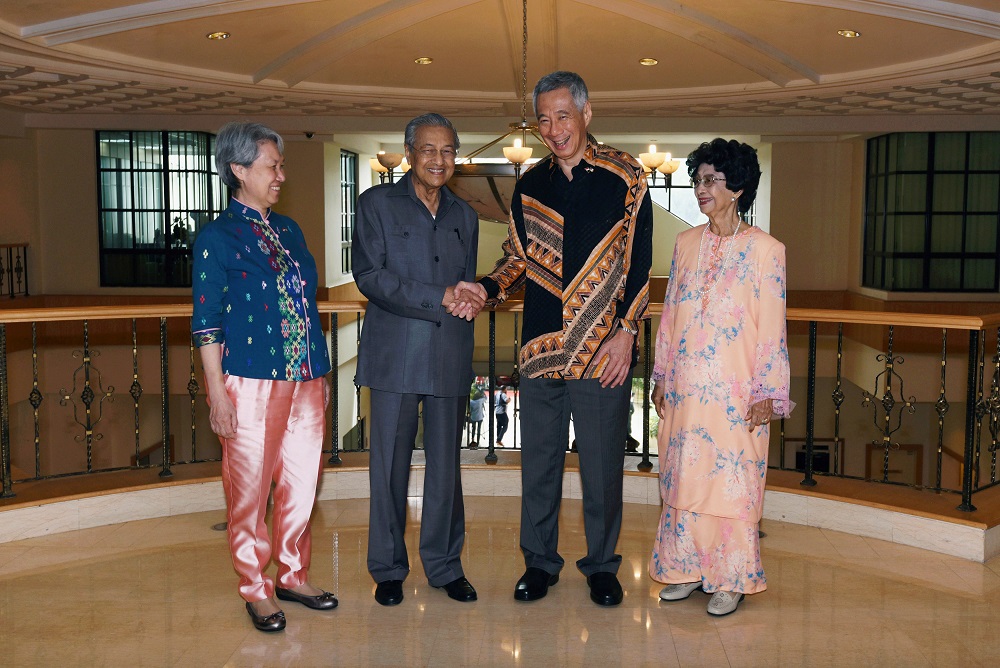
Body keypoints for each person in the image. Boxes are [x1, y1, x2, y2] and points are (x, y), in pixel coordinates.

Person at [457, 71, 653, 606]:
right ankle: (539, 564)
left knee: (602, 466)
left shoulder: (626, 176)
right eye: (543, 118)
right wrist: (484, 287)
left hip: (601, 351)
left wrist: (627, 332)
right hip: (541, 349)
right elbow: (518, 263)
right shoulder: (530, 187)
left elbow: (638, 264)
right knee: (538, 466)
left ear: (587, 114)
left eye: (563, 115)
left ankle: (602, 566)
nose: (552, 128)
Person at [192, 121, 336, 633]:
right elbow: (206, 322)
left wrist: (315, 374)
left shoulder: (290, 230)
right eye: (271, 166)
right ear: (238, 170)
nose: (280, 174)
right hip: (249, 382)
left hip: (307, 374)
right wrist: (217, 394)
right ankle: (255, 587)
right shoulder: (216, 238)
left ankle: (293, 575)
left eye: (279, 165)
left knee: (301, 482)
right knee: (249, 490)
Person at [649, 138, 793, 617]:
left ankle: (729, 578)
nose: (700, 188)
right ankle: (687, 569)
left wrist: (768, 392)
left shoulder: (767, 251)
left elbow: (773, 329)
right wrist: (661, 374)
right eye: (697, 179)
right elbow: (669, 316)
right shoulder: (685, 244)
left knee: (731, 482)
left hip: (737, 391)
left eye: (711, 179)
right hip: (688, 390)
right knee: (688, 476)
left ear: (738, 187)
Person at [353, 113, 483, 607]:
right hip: (394, 358)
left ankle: (446, 567)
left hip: (449, 355)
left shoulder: (464, 216)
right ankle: (387, 568)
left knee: (447, 468)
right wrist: (442, 295)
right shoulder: (376, 205)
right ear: (409, 153)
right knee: (388, 467)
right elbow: (371, 277)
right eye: (428, 150)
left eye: (448, 150)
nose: (438, 160)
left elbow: (464, 285)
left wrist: (469, 298)